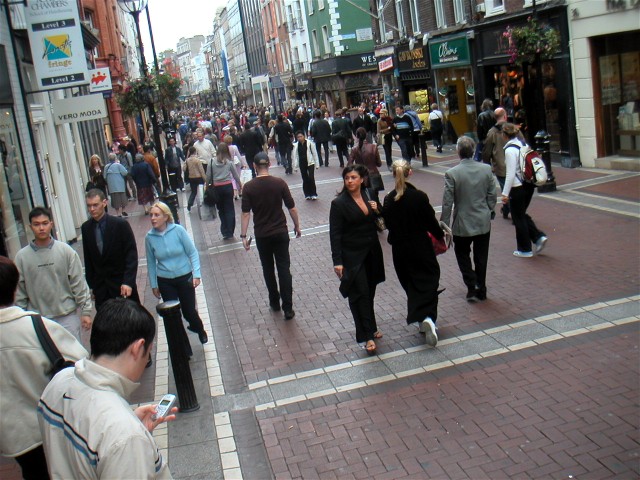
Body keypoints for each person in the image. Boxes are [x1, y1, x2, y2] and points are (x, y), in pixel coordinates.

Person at [38, 298, 175, 479]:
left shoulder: (59, 381)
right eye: (149, 350)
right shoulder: (124, 435)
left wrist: (134, 427)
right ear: (137, 348)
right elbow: (114, 438)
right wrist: (131, 437)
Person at [0, 256, 87, 480]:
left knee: (34, 472)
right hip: (52, 425)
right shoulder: (37, 327)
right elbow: (83, 366)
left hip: (12, 437)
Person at [381, 160, 443, 347]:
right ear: (410, 173)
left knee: (411, 283)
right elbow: (431, 222)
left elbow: (388, 226)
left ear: (393, 174)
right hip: (421, 247)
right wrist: (440, 235)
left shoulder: (388, 200)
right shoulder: (419, 197)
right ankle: (429, 319)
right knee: (429, 280)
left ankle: (421, 317)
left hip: (400, 250)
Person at [14, 207, 93, 342]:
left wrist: (86, 312)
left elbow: (78, 283)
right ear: (30, 227)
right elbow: (20, 292)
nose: (41, 228)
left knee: (73, 359)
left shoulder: (66, 251)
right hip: (38, 320)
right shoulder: (22, 257)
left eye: (45, 223)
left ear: (51, 224)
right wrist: (21, 317)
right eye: (37, 224)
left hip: (67, 317)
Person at [330, 164, 385, 355]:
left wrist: (378, 209)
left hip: (372, 252)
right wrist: (337, 261)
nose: (350, 181)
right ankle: (366, 335)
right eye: (347, 178)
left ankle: (372, 326)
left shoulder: (369, 194)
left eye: (353, 177)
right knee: (359, 293)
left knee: (370, 291)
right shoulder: (339, 204)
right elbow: (335, 235)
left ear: (362, 179)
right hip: (352, 256)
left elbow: (381, 219)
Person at [240, 153, 301, 319]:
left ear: (254, 166)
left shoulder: (249, 187)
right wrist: (297, 225)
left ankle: (274, 301)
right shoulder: (279, 183)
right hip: (280, 231)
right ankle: (288, 307)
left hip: (262, 234)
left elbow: (246, 214)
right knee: (283, 268)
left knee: (268, 268)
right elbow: (292, 208)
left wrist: (243, 235)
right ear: (269, 164)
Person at [441, 136, 497, 302]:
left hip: (462, 222)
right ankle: (481, 287)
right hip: (482, 220)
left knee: (462, 253)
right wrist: (490, 210)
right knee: (481, 256)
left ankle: (471, 284)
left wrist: (444, 223)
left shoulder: (452, 173)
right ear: (473, 150)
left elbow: (447, 201)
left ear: (458, 151)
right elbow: (492, 194)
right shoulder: (486, 169)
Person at [146, 202, 207, 347]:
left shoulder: (178, 230)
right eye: (151, 215)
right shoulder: (149, 238)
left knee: (189, 311)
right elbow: (150, 262)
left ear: (165, 216)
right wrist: (154, 285)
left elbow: (192, 252)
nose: (153, 218)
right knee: (173, 317)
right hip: (165, 280)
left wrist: (196, 274)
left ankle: (199, 329)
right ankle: (184, 347)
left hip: (184, 277)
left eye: (156, 215)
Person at [81, 189, 140, 309]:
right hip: (101, 289)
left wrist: (128, 281)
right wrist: (92, 286)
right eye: (89, 206)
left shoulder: (120, 225)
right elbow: (88, 259)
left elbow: (131, 255)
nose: (92, 209)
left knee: (130, 323)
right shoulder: (86, 228)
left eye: (95, 205)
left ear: (104, 203)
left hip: (122, 286)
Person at [501, 123, 548, 258]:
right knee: (521, 214)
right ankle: (538, 237)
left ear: (504, 135)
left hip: (517, 187)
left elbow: (510, 175)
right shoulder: (523, 145)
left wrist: (505, 193)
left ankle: (525, 249)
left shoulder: (509, 150)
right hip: (528, 185)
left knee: (518, 218)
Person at [483, 107, 515, 219]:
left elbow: (487, 151)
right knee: (512, 190)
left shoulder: (491, 132)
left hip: (500, 166)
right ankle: (512, 212)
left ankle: (507, 209)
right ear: (505, 116)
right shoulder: (513, 129)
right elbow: (523, 144)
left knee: (506, 190)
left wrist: (487, 165)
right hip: (515, 165)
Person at [207, 142, 242, 239]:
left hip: (217, 188)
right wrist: (240, 184)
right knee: (229, 209)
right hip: (227, 187)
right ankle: (230, 231)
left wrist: (207, 186)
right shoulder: (229, 162)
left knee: (221, 210)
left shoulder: (211, 162)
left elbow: (208, 176)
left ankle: (225, 231)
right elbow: (235, 175)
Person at [348, 127, 384, 203]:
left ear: (357, 136)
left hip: (361, 176)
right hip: (374, 174)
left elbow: (349, 165)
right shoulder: (373, 147)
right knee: (375, 198)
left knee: (364, 198)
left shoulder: (354, 149)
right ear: (366, 135)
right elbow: (379, 164)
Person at [292, 130, 319, 200]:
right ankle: (307, 194)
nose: (299, 138)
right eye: (298, 137)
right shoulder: (296, 145)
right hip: (302, 163)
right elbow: (295, 156)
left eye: (301, 136)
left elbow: (315, 153)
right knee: (305, 178)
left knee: (311, 177)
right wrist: (295, 166)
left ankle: (313, 194)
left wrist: (317, 164)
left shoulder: (309, 143)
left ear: (304, 136)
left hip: (310, 162)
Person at [104, 152, 129, 217]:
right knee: (123, 199)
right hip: (120, 185)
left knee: (115, 200)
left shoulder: (106, 166)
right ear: (115, 158)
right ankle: (123, 211)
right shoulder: (118, 165)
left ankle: (118, 213)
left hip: (112, 187)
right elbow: (125, 173)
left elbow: (104, 176)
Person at [184, 145, 207, 213]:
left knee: (193, 192)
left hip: (191, 177)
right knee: (201, 190)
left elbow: (184, 169)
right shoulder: (197, 160)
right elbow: (201, 170)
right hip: (199, 177)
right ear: (195, 152)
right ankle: (202, 203)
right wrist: (205, 179)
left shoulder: (187, 160)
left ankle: (189, 204)